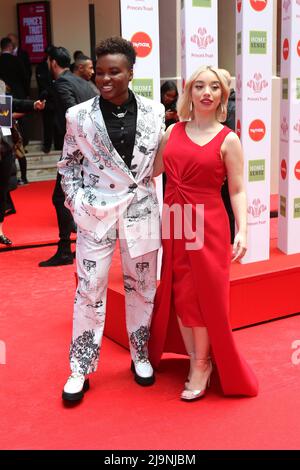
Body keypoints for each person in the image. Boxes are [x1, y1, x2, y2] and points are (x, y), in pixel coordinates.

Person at [58, 36, 165, 402]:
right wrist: (77, 203)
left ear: (131, 73)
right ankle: (80, 366)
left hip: (141, 213)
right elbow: (68, 165)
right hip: (96, 215)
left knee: (143, 287)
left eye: (114, 72)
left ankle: (140, 354)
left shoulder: (155, 113)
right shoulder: (78, 115)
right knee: (89, 289)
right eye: (99, 72)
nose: (104, 79)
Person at [149, 65, 258, 401]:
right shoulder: (172, 132)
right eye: (200, 86)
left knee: (206, 297)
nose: (207, 92)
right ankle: (197, 358)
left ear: (222, 96)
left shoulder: (230, 139)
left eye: (214, 87)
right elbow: (151, 171)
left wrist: (243, 229)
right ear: (190, 93)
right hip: (177, 221)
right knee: (180, 293)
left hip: (207, 223)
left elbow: (238, 190)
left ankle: (202, 364)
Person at [38, 46, 97, 268]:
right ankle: (76, 243)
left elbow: (73, 116)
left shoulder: (63, 83)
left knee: (60, 197)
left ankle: (65, 248)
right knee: (73, 196)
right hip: (87, 149)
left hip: (77, 151)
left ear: (52, 62)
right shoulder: (84, 83)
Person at [0, 81, 45, 245]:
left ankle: (0, 231)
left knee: (3, 191)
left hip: (5, 148)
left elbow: (16, 104)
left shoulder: (3, 99)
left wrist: (34, 104)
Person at [219, 69, 236, 243]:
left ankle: (229, 240)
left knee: (228, 203)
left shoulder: (232, 106)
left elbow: (230, 136)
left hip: (226, 164)